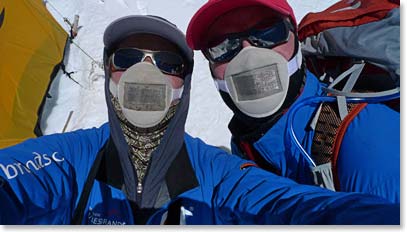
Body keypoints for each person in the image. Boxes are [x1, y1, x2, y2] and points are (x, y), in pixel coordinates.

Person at [0, 15, 400, 225]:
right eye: (126, 59)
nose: (147, 73)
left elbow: (292, 207)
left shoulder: (219, 175)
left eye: (167, 63)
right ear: (108, 73)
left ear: (186, 83)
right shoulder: (72, 160)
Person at [186, 0, 400, 203]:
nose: (248, 54)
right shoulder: (248, 138)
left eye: (268, 31)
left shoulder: (366, 143)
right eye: (223, 45)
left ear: (296, 39)